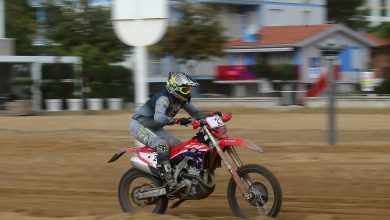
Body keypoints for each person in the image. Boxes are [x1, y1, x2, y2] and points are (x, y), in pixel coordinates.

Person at [130, 71, 220, 191]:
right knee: (162, 146)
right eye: (184, 89)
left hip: (155, 128)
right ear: (173, 87)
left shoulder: (180, 99)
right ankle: (168, 180)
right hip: (139, 126)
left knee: (178, 146)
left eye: (188, 89)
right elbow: (159, 117)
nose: (187, 92)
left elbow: (196, 114)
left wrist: (212, 114)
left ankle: (179, 177)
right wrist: (177, 120)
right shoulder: (164, 99)